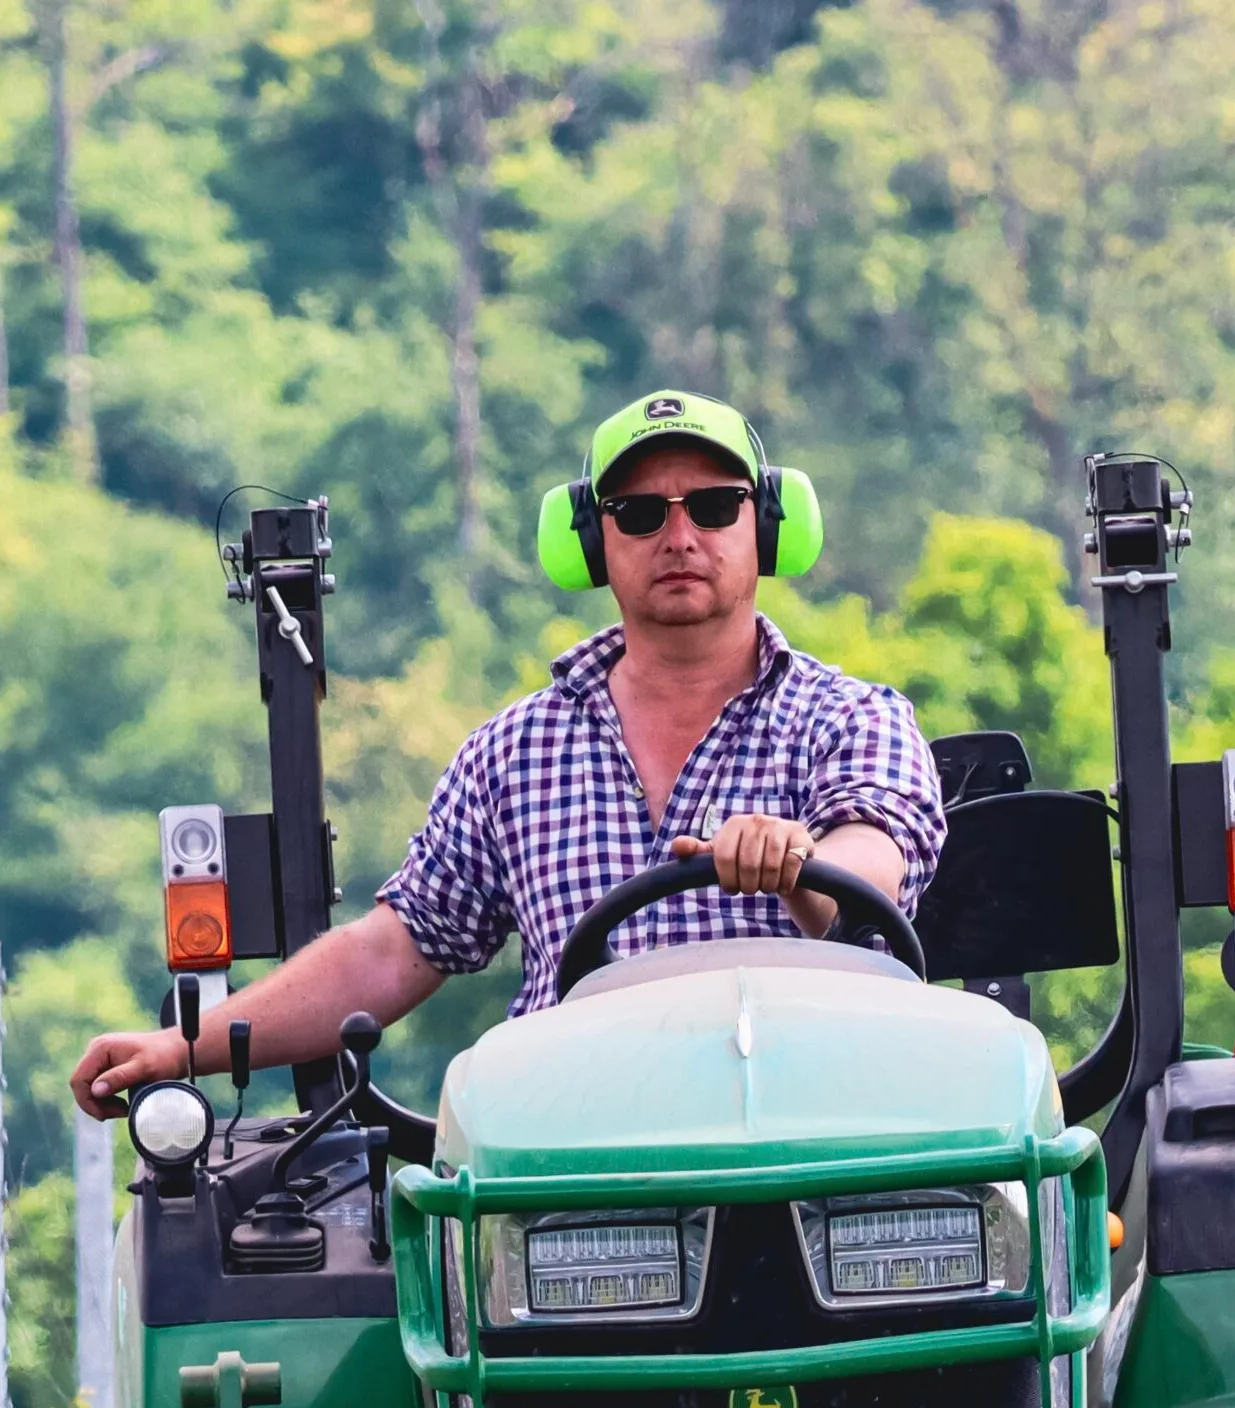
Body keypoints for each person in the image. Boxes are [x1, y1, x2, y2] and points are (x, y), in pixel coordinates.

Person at [71, 388, 947, 1119]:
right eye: (640, 514)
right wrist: (185, 1046)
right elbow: (391, 950)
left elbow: (868, 879)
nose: (679, 537)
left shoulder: (853, 719)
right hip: (571, 1161)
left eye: (714, 506)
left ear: (771, 524)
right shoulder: (515, 752)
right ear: (590, 543)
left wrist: (796, 865)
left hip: (814, 1138)